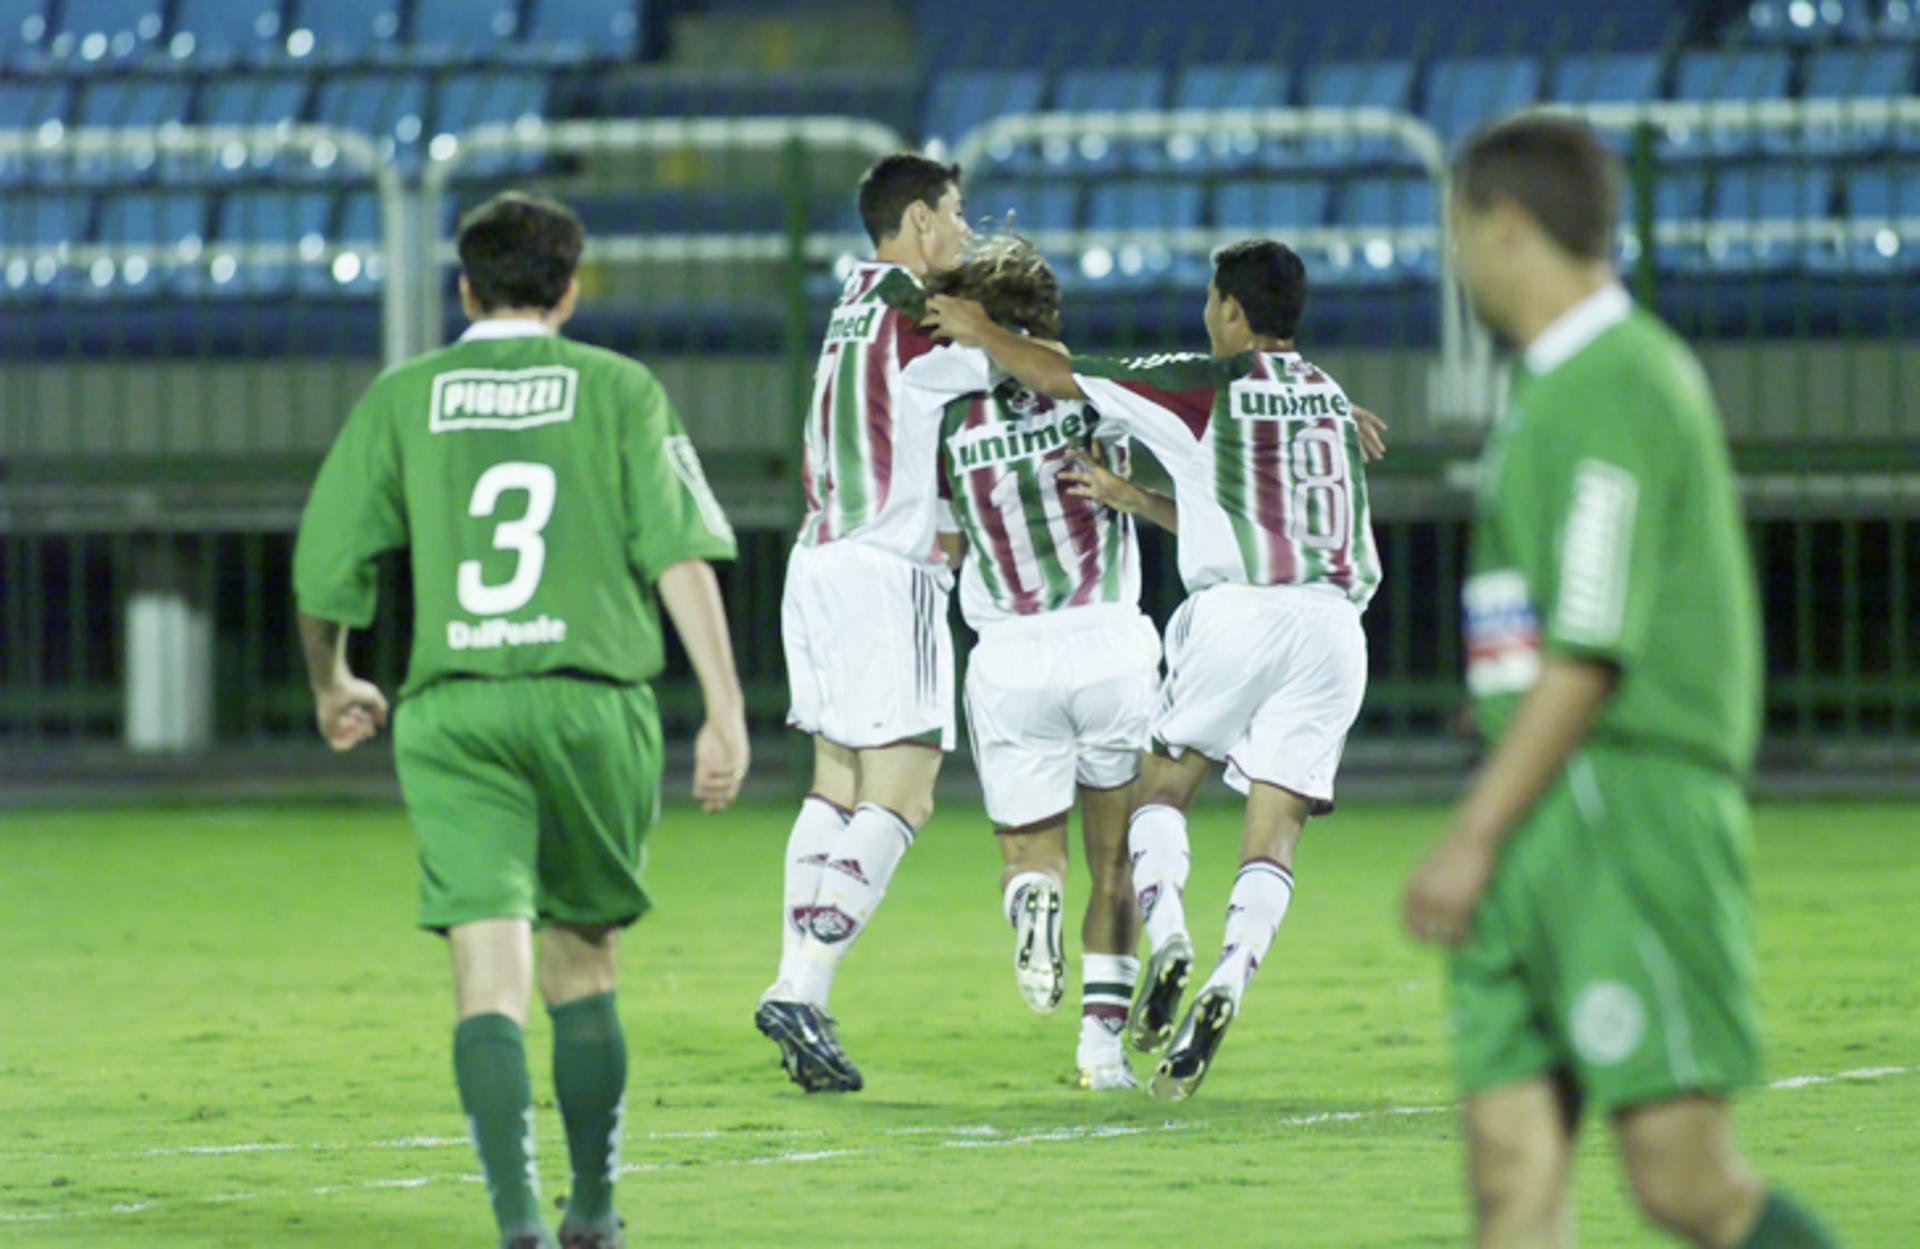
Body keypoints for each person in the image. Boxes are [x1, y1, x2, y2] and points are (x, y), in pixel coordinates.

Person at [1400, 116, 1841, 1249]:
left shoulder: (1622, 378)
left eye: (1458, 231)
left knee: (1685, 1183)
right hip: (1540, 805)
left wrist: (1471, 833)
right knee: (1512, 1180)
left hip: (1624, 809)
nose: (1453, 258)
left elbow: (1593, 647)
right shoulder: (1550, 388)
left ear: (1504, 227)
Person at [292, 192, 748, 1249]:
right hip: (595, 705)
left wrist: (332, 680)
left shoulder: (409, 392)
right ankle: (592, 1209)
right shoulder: (619, 387)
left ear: (464, 288)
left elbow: (325, 562)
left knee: (485, 971)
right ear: (571, 287)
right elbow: (678, 551)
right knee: (583, 963)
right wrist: (723, 708)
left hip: (458, 710)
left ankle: (516, 1223)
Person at [925, 240, 1382, 1100]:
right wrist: (1140, 501)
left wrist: (981, 326)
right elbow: (1250, 507)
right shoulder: (1328, 396)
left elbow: (1056, 377)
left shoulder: (1204, 381)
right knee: (1276, 829)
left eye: (1214, 301)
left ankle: (1168, 934)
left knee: (1156, 794)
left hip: (1240, 615)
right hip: (1335, 631)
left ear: (1234, 311)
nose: (1207, 315)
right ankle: (1228, 979)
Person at [915, 233, 1158, 1090]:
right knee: (1118, 862)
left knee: (1030, 854)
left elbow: (944, 548)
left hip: (1010, 655)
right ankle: (1100, 1050)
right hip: (1109, 640)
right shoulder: (1098, 388)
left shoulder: (946, 419)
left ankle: (1030, 902)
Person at [756, 153, 975, 1093]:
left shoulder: (852, 299)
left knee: (835, 786)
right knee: (905, 789)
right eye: (957, 216)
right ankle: (801, 986)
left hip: (818, 559)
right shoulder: (920, 316)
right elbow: (1025, 375)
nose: (963, 234)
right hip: (887, 572)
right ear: (920, 220)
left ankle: (797, 988)